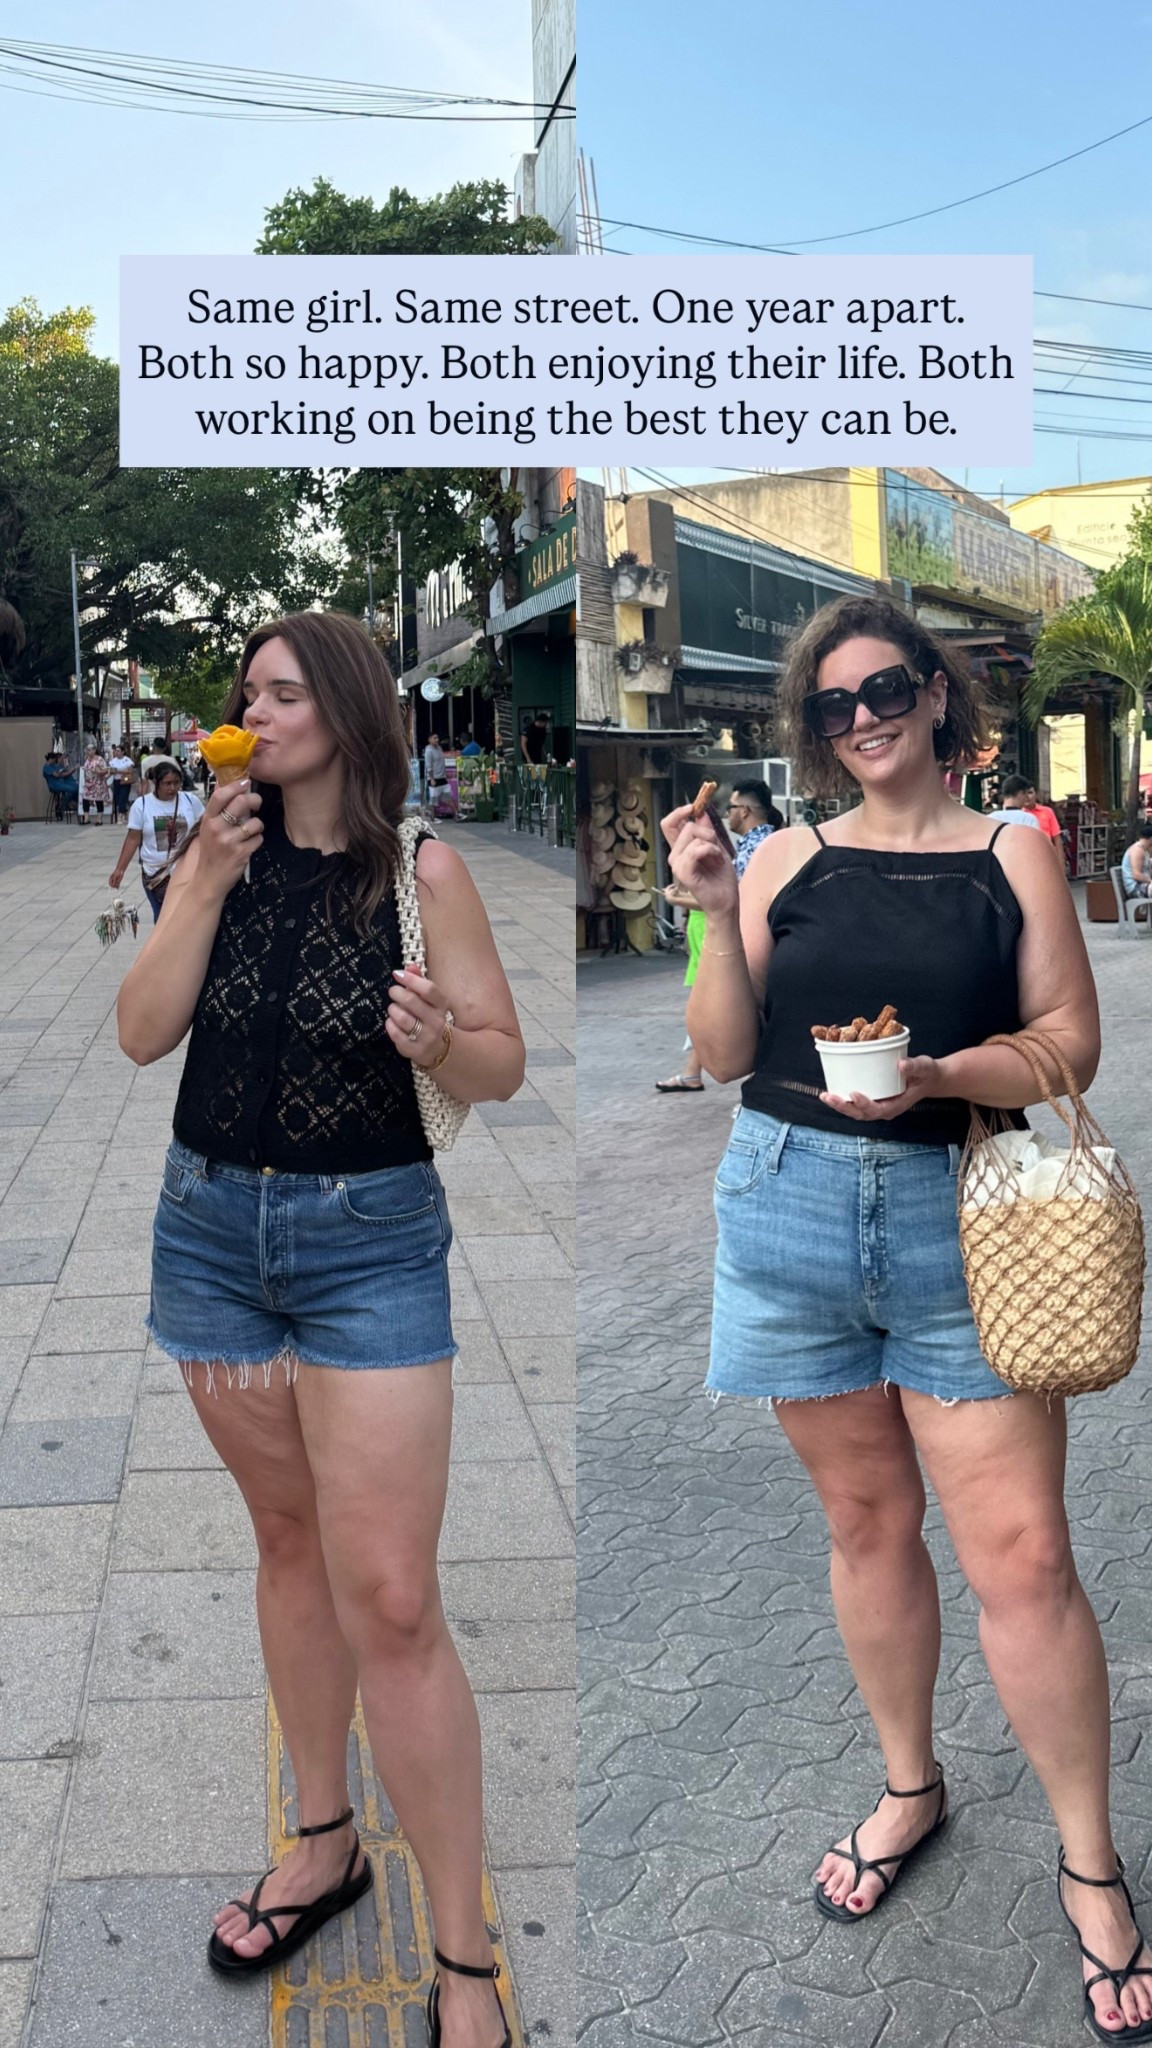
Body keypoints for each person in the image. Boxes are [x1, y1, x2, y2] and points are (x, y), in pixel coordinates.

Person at [662, 593, 1152, 2043]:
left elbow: (1071, 1042)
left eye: (884, 691)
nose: (860, 718)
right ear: (811, 732)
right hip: (788, 1204)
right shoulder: (778, 858)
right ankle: (909, 1786)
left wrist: (944, 1076)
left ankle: (1092, 1863)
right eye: (830, 706)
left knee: (1027, 1557)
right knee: (865, 1530)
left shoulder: (1016, 854)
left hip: (966, 1222)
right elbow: (719, 1052)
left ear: (939, 699)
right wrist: (703, 911)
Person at [116, 612, 524, 2046]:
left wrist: (437, 1042)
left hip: (370, 1248)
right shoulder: (210, 855)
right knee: (288, 1547)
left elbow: (504, 1063)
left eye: (281, 693)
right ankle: (325, 1839)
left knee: (394, 1596)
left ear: (346, 714)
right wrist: (198, 889)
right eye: (245, 694)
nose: (251, 713)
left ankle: (465, 1955)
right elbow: (138, 1033)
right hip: (213, 1235)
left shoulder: (425, 872)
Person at [655, 798, 735, 1095]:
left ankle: (692, 1073)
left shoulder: (718, 852)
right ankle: (691, 1072)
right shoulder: (690, 849)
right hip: (699, 928)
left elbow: (712, 897)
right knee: (700, 1003)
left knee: (703, 1004)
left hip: (709, 928)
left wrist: (676, 900)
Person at [108, 762, 205, 921]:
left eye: (176, 783)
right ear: (156, 783)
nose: (172, 788)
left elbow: (205, 827)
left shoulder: (190, 800)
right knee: (162, 918)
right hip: (155, 875)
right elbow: (133, 839)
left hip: (186, 871)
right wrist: (120, 869)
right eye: (167, 784)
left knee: (184, 918)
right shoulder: (142, 805)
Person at [725, 781, 785, 880]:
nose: (727, 814)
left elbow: (740, 894)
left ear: (744, 811)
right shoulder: (775, 841)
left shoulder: (750, 850)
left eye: (730, 807)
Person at [1002, 773, 1064, 846]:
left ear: (1036, 794)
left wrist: (1059, 857)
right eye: (1025, 793)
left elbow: (1057, 838)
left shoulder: (1047, 811)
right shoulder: (1023, 816)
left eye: (1030, 793)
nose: (1027, 797)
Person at [80, 742, 111, 824]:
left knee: (98, 800)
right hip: (88, 783)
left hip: (98, 783)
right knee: (85, 799)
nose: (88, 751)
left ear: (94, 750)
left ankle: (99, 819)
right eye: (87, 750)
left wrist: (99, 772)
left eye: (90, 749)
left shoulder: (99, 759)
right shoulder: (87, 759)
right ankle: (86, 818)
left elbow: (105, 770)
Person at [1121, 820, 1152, 899]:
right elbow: (1136, 875)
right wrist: (1150, 881)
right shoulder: (1137, 850)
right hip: (1136, 888)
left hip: (1143, 885)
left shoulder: (1144, 850)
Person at [108, 743, 136, 821]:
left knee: (123, 797)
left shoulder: (127, 760)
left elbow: (130, 770)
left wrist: (118, 771)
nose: (117, 752)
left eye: (119, 751)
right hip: (116, 781)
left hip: (126, 781)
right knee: (118, 798)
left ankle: (120, 815)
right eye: (116, 751)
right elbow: (112, 771)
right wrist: (122, 771)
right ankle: (125, 811)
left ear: (123, 752)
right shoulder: (113, 761)